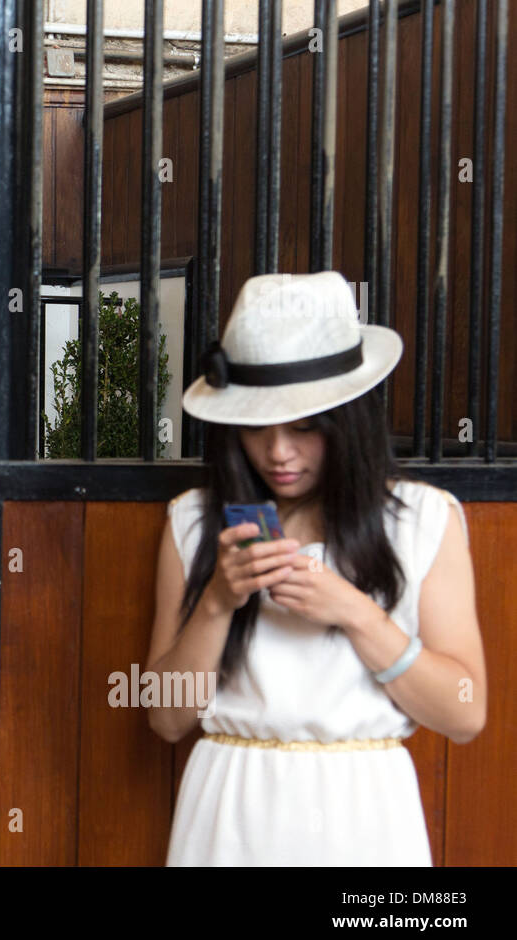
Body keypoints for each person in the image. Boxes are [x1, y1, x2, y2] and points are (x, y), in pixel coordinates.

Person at [146, 271, 486, 866]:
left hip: (366, 811)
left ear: (347, 421)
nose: (278, 452)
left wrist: (355, 613)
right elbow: (166, 717)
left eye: (305, 428)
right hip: (229, 810)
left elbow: (465, 713)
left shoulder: (425, 521)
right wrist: (219, 602)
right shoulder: (195, 522)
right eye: (256, 426)